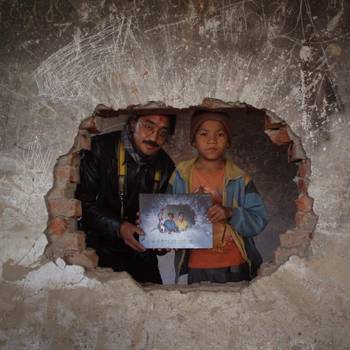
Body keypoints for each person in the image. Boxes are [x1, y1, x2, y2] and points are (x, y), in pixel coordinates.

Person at [75, 108, 176, 284]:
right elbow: (82, 205)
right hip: (99, 250)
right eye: (148, 126)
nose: (154, 137)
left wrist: (162, 243)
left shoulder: (166, 165)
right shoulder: (99, 148)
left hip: (141, 253)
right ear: (132, 124)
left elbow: (164, 219)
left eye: (163, 132)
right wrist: (119, 227)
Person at [168, 109, 268, 284]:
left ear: (228, 141)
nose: (212, 140)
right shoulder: (180, 176)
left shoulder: (240, 179)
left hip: (235, 264)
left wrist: (230, 213)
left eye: (220, 134)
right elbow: (166, 215)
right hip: (196, 264)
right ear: (193, 140)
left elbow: (259, 220)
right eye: (203, 134)